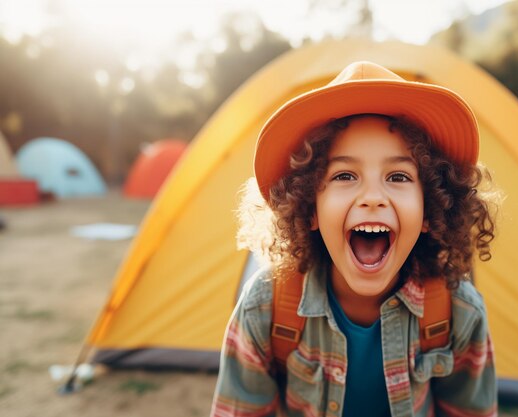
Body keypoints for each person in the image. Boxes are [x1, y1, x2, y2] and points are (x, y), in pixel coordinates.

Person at [210, 61, 498, 417]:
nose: (372, 197)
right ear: (309, 208)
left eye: (398, 176)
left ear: (430, 210)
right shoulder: (265, 307)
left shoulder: (458, 311)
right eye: (345, 175)